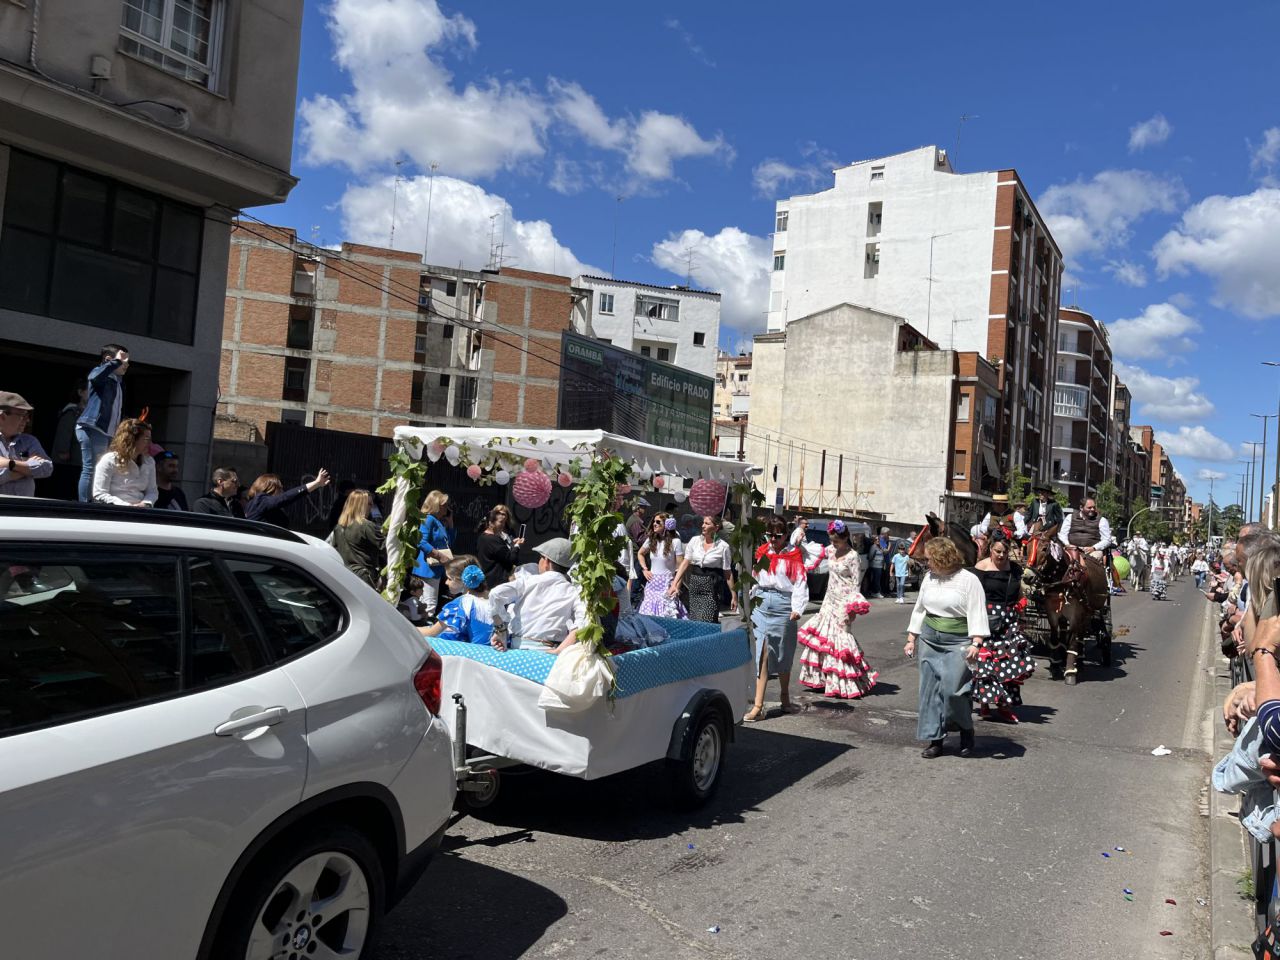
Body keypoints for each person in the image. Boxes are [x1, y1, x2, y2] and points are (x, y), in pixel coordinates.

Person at [903, 537, 989, 758]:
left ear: (943, 558)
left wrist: (977, 642)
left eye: (930, 559)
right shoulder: (929, 578)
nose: (927, 563)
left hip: (958, 642)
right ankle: (936, 740)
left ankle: (966, 731)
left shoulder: (969, 580)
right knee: (930, 692)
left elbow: (977, 611)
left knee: (954, 692)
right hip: (930, 640)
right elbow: (920, 609)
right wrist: (912, 637)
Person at [797, 519, 877, 699]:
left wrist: (853, 609)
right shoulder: (831, 550)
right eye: (832, 540)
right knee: (824, 638)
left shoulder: (853, 556)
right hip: (829, 600)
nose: (833, 544)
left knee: (841, 639)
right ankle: (823, 679)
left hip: (844, 601)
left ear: (846, 537)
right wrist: (798, 537)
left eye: (837, 541)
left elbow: (856, 584)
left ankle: (845, 682)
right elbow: (809, 552)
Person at [744, 516, 809, 722]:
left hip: (783, 605)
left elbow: (800, 582)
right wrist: (748, 600)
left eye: (777, 535)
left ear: (785, 535)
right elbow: (755, 577)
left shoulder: (794, 554)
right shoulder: (763, 551)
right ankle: (758, 705)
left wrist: (797, 608)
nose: (773, 539)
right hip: (762, 603)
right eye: (769, 534)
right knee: (761, 652)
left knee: (782, 653)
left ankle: (785, 696)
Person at [971, 533, 1036, 723]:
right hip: (985, 620)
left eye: (1004, 552)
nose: (1000, 555)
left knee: (1008, 664)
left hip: (1008, 621)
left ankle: (1004, 706)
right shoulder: (980, 568)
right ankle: (984, 703)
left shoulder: (1015, 570)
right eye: (997, 551)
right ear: (990, 549)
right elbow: (972, 595)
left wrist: (1022, 608)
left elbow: (1021, 592)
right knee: (986, 664)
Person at [489, 538, 585, 652]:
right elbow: (582, 624)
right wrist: (558, 651)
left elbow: (495, 594)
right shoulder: (573, 592)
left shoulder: (527, 582)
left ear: (547, 561)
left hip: (517, 651)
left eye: (540, 557)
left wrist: (500, 630)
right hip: (549, 655)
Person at [75, 344, 130, 502]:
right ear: (108, 360)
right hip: (92, 427)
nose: (126, 364)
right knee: (91, 468)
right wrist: (115, 362)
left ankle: (95, 501)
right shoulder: (101, 375)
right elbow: (94, 377)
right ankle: (85, 505)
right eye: (123, 360)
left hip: (106, 432)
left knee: (102, 469)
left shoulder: (118, 382)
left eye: (127, 360)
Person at [673, 515, 736, 622]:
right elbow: (685, 563)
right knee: (695, 619)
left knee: (707, 619)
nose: (703, 526)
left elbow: (728, 573)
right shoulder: (694, 541)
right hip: (695, 584)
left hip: (712, 586)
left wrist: (733, 595)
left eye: (707, 524)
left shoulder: (723, 546)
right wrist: (674, 584)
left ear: (716, 528)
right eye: (703, 523)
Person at [419, 558, 494, 646]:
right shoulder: (492, 596)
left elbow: (431, 633)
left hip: (478, 653)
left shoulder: (462, 603)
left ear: (463, 581)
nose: (446, 582)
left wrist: (406, 627)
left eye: (449, 579)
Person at [91, 418, 156, 507]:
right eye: (146, 439)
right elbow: (99, 493)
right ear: (132, 440)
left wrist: (145, 504)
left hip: (141, 512)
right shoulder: (109, 460)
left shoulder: (150, 462)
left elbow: (152, 491)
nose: (150, 444)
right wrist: (126, 506)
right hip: (115, 512)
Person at [412, 490, 457, 617]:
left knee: (428, 603)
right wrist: (439, 555)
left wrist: (451, 524)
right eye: (444, 505)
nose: (447, 508)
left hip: (437, 569)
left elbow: (449, 543)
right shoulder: (429, 519)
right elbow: (421, 541)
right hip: (428, 568)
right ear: (437, 505)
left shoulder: (439, 522)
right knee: (428, 605)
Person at [0, 393, 53, 497]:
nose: (27, 420)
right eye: (22, 416)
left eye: (27, 416)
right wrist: (27, 469)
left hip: (24, 508)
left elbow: (47, 467)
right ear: (2, 416)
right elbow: (37, 468)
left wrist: (10, 464)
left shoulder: (29, 441)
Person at [329, 488, 384, 588]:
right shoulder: (366, 526)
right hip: (364, 579)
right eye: (370, 504)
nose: (372, 508)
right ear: (361, 505)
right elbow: (385, 547)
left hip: (344, 576)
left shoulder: (338, 527)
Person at [244, 469, 331, 530]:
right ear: (271, 488)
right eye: (280, 488)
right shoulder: (260, 500)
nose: (282, 491)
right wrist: (316, 484)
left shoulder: (256, 503)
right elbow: (285, 497)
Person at [637, 512, 686, 618]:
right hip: (652, 584)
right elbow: (640, 553)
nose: (654, 524)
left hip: (667, 584)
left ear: (666, 525)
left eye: (658, 522)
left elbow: (680, 568)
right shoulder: (651, 540)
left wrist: (677, 587)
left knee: (667, 614)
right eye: (654, 521)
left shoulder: (675, 542)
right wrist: (644, 569)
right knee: (648, 615)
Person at [476, 504, 525, 588]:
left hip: (490, 580)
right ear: (491, 522)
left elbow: (502, 553)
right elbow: (511, 558)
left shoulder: (483, 537)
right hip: (496, 582)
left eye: (504, 522)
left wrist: (513, 545)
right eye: (500, 522)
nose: (502, 525)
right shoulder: (493, 539)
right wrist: (517, 545)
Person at [868, 527, 894, 598]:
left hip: (885, 561)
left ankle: (883, 592)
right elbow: (884, 551)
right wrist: (888, 547)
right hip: (881, 562)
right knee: (880, 578)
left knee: (884, 578)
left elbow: (886, 551)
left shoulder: (886, 540)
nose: (889, 535)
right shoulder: (879, 540)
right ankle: (880, 592)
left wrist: (888, 546)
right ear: (884, 533)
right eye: (888, 533)